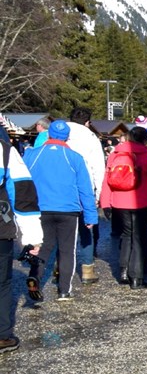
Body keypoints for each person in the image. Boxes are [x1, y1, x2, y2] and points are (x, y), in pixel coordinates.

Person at [24, 120, 97, 301]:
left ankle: (35, 278)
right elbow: (85, 189)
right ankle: (64, 290)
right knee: (67, 250)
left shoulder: (32, 155)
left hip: (41, 208)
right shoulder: (75, 157)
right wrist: (90, 215)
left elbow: (23, 183)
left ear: (48, 135)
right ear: (67, 138)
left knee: (42, 246)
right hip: (68, 210)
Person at [99, 125, 147, 289]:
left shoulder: (115, 153)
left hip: (119, 201)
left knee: (126, 235)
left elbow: (107, 180)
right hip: (140, 201)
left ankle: (123, 272)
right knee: (139, 238)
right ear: (145, 139)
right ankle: (136, 277)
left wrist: (105, 202)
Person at [0, 130, 42, 351]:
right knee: (2, 284)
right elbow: (23, 197)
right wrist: (33, 238)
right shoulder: (6, 153)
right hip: (1, 228)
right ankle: (2, 335)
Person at [64, 108, 106, 285]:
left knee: (64, 230)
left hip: (62, 187)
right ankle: (87, 269)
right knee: (85, 227)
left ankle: (61, 267)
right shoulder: (90, 137)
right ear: (87, 122)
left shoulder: (59, 132)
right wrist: (98, 192)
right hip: (84, 186)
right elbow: (98, 166)